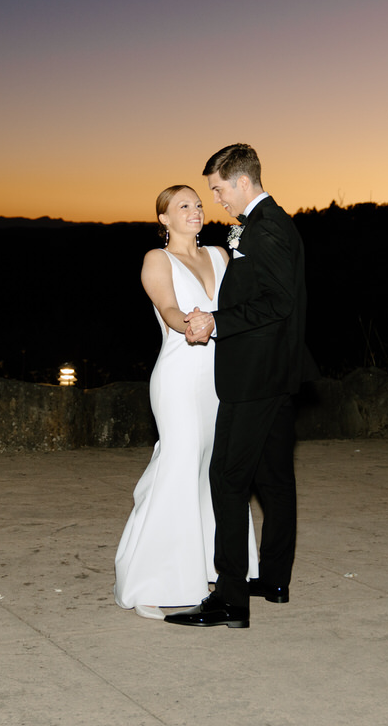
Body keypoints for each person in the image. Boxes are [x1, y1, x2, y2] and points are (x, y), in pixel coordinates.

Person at [168, 144, 313, 629]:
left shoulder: (266, 228)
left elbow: (278, 303)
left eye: (217, 188)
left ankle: (230, 599)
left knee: (226, 480)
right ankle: (273, 580)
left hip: (254, 377)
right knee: (274, 480)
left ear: (241, 182)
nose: (215, 199)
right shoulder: (270, 222)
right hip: (275, 375)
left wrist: (216, 320)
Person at [114, 186, 256, 618]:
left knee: (213, 470)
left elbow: (240, 306)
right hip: (178, 376)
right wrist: (191, 323)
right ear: (164, 219)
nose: (195, 211)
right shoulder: (157, 260)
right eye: (183, 206)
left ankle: (214, 569)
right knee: (178, 466)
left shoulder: (220, 255)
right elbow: (169, 308)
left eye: (198, 204)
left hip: (219, 378)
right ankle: (152, 582)